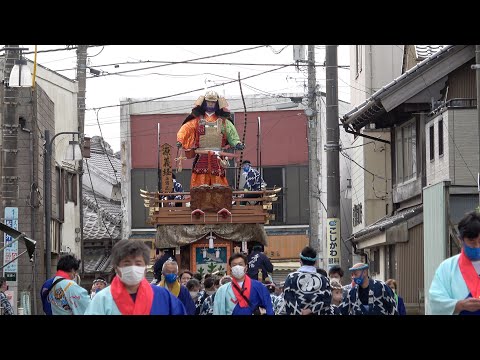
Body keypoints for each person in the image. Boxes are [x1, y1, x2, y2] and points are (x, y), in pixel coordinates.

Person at [85, 239, 186, 315]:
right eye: (127, 264)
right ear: (116, 268)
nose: (133, 268)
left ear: (145, 268)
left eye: (138, 264)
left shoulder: (163, 296)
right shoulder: (102, 299)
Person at [176, 90, 245, 188]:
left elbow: (232, 135)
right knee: (200, 181)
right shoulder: (197, 121)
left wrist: (237, 143)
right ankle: (198, 199)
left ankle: (219, 200)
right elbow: (185, 129)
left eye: (213, 102)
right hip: (201, 155)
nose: (211, 104)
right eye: (208, 102)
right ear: (204, 103)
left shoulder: (224, 122)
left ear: (217, 104)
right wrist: (180, 140)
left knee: (218, 181)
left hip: (217, 156)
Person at [429, 210, 480, 315]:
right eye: (472, 242)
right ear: (461, 240)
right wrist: (459, 305)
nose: (477, 246)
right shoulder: (447, 268)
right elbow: (435, 301)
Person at [283, 246, 333, 315]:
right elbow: (327, 300)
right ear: (315, 262)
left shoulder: (291, 278)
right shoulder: (324, 279)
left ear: (300, 261)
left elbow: (288, 299)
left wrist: (299, 312)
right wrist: (310, 310)